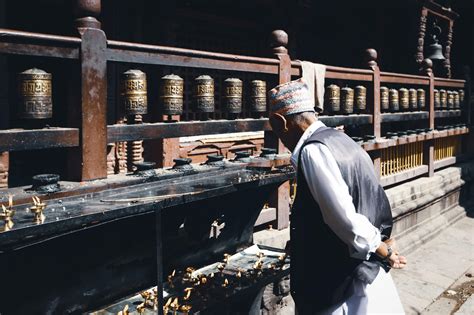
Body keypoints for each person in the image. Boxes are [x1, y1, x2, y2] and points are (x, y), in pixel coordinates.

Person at [268, 79, 407, 314]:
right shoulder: (341, 139)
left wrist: (384, 250)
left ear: (280, 122)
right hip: (359, 270)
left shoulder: (313, 151)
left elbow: (344, 220)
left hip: (340, 280)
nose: (281, 140)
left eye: (277, 131)